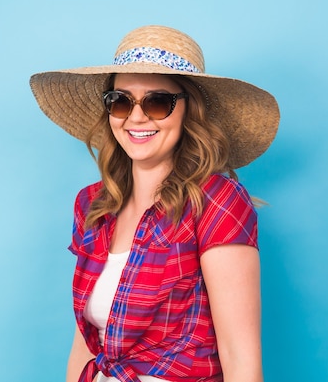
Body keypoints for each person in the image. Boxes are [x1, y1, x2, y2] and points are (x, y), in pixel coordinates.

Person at [30, 25, 279, 382]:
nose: (136, 117)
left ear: (188, 111)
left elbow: (241, 359)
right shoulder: (92, 205)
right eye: (120, 100)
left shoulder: (217, 202)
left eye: (157, 101)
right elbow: (86, 346)